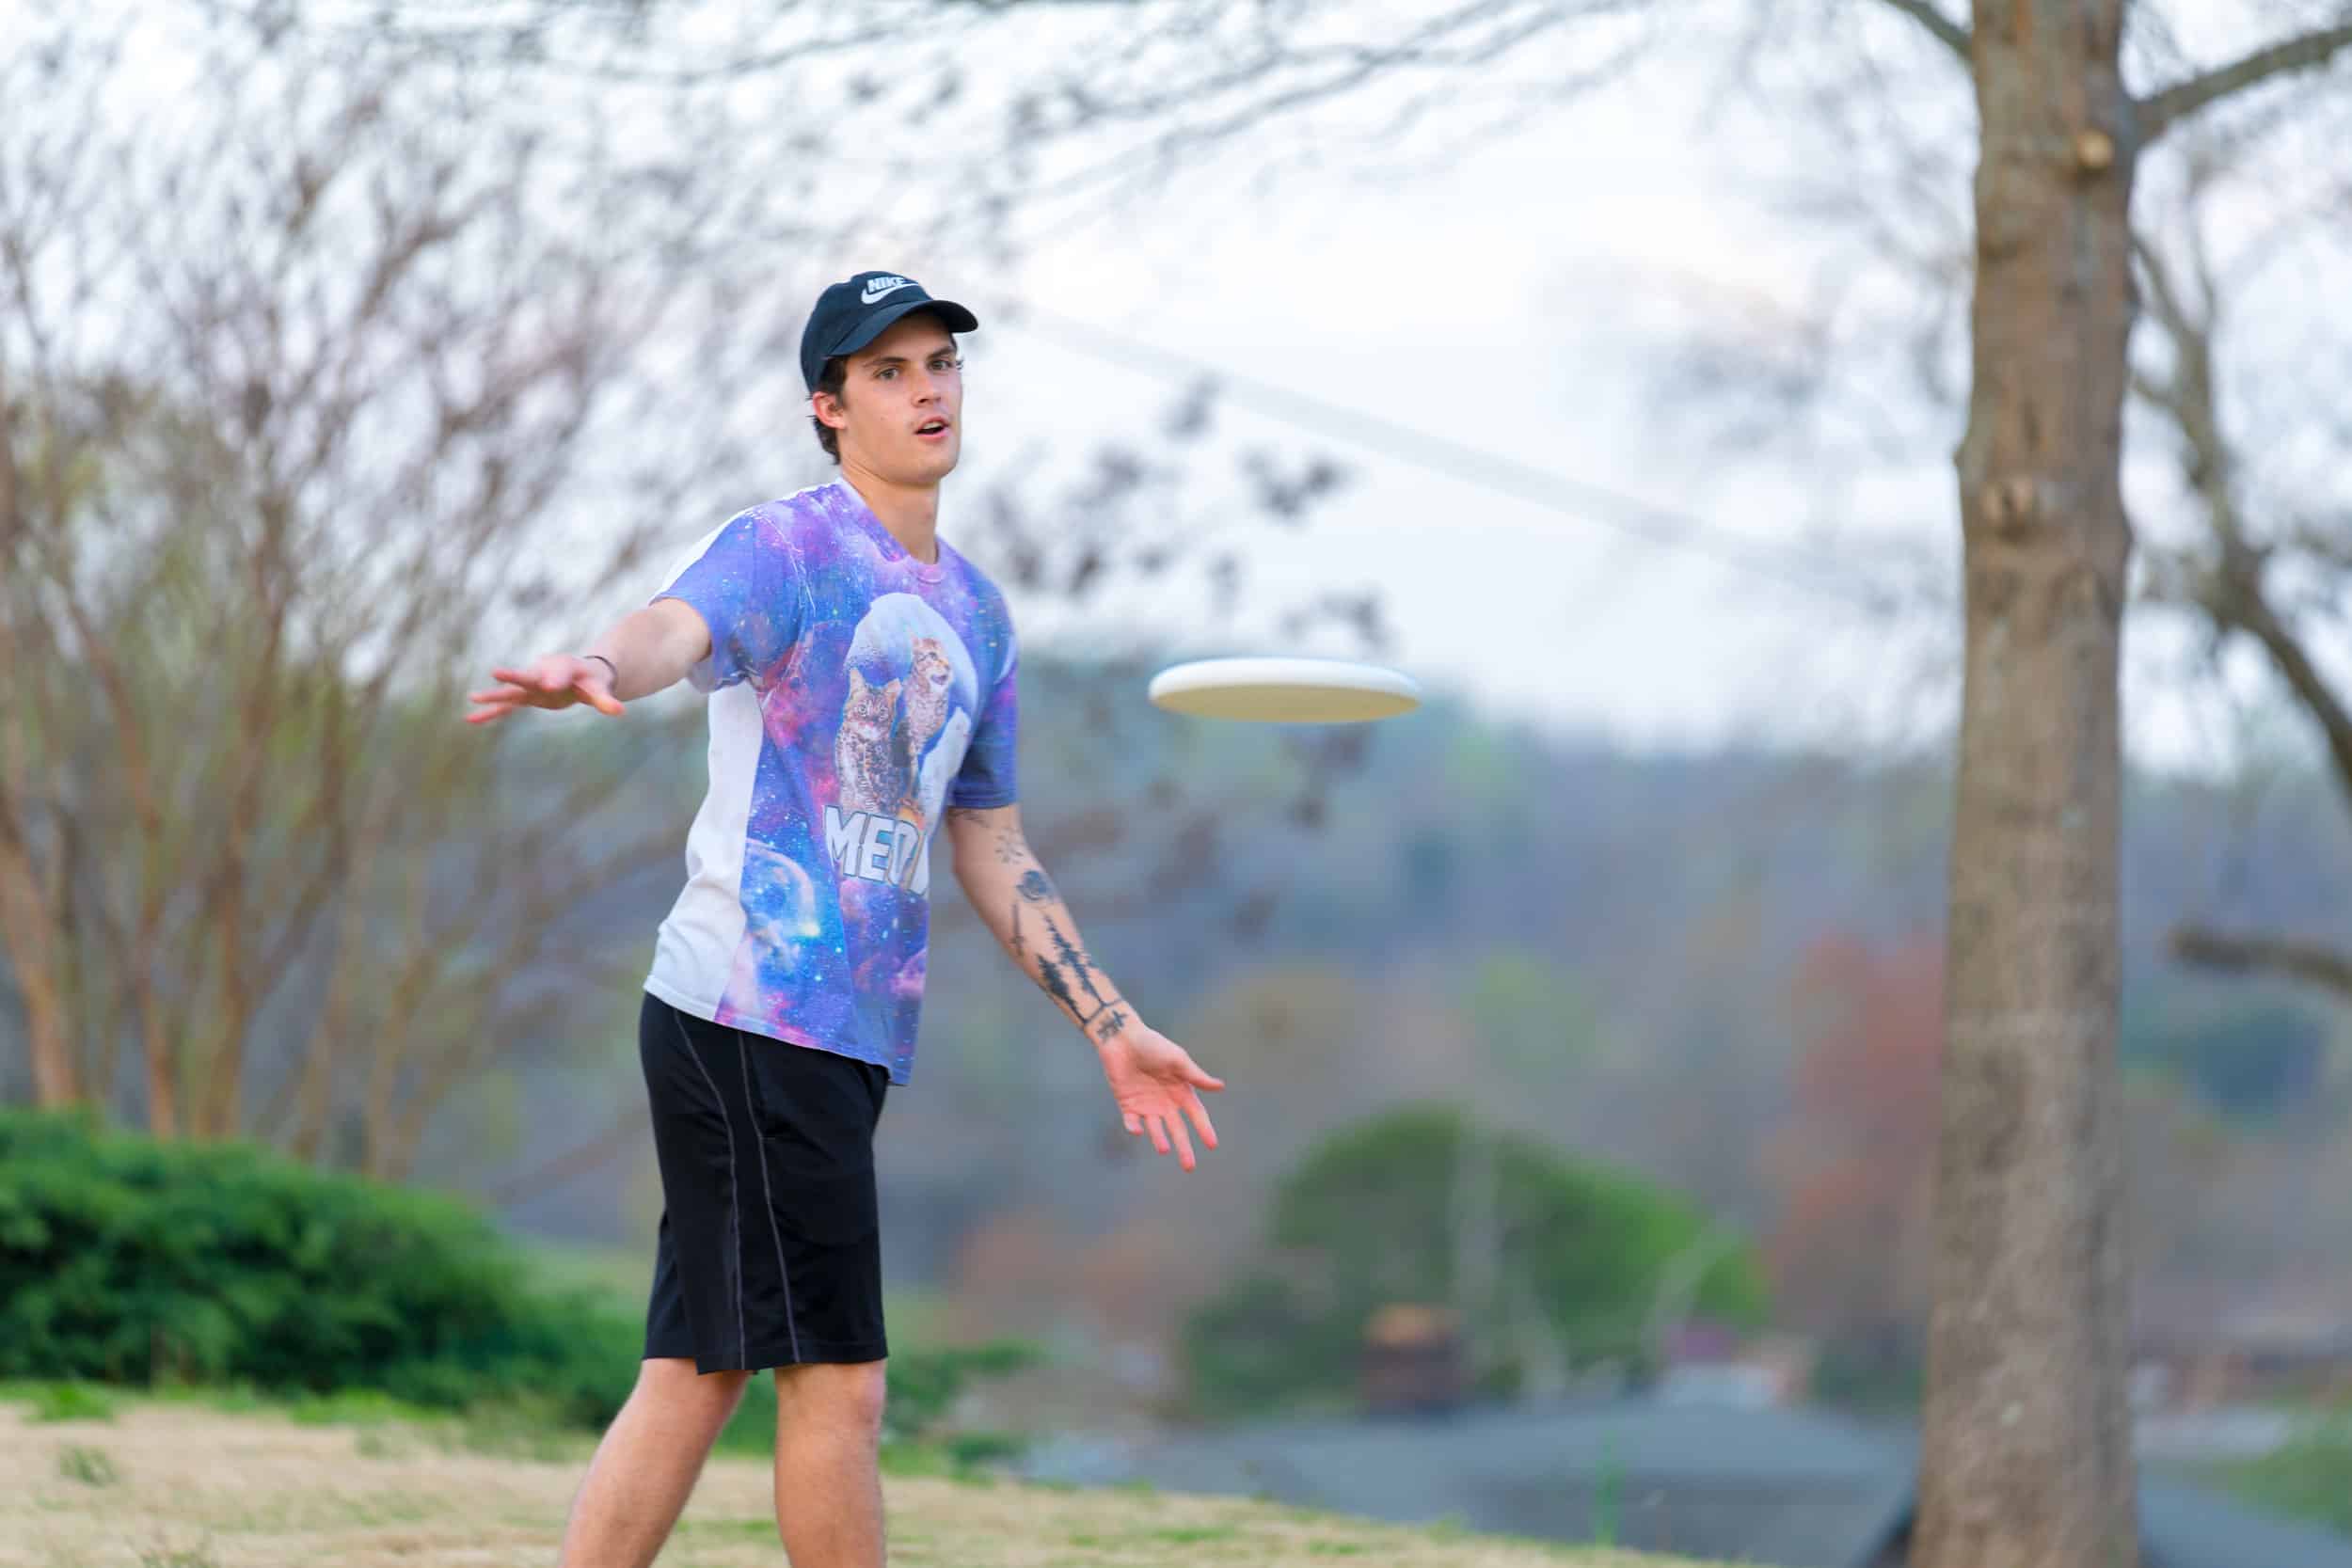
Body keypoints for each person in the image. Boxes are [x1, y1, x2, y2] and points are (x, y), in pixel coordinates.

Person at [465, 271, 1226, 1568]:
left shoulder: (978, 615)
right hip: (751, 1012)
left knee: (700, 1369)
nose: (928, 389)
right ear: (830, 405)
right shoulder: (789, 549)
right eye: (889, 371)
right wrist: (601, 664)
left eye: (942, 364)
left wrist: (1111, 1022)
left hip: (838, 1039)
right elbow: (673, 627)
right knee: (841, 1385)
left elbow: (989, 842)